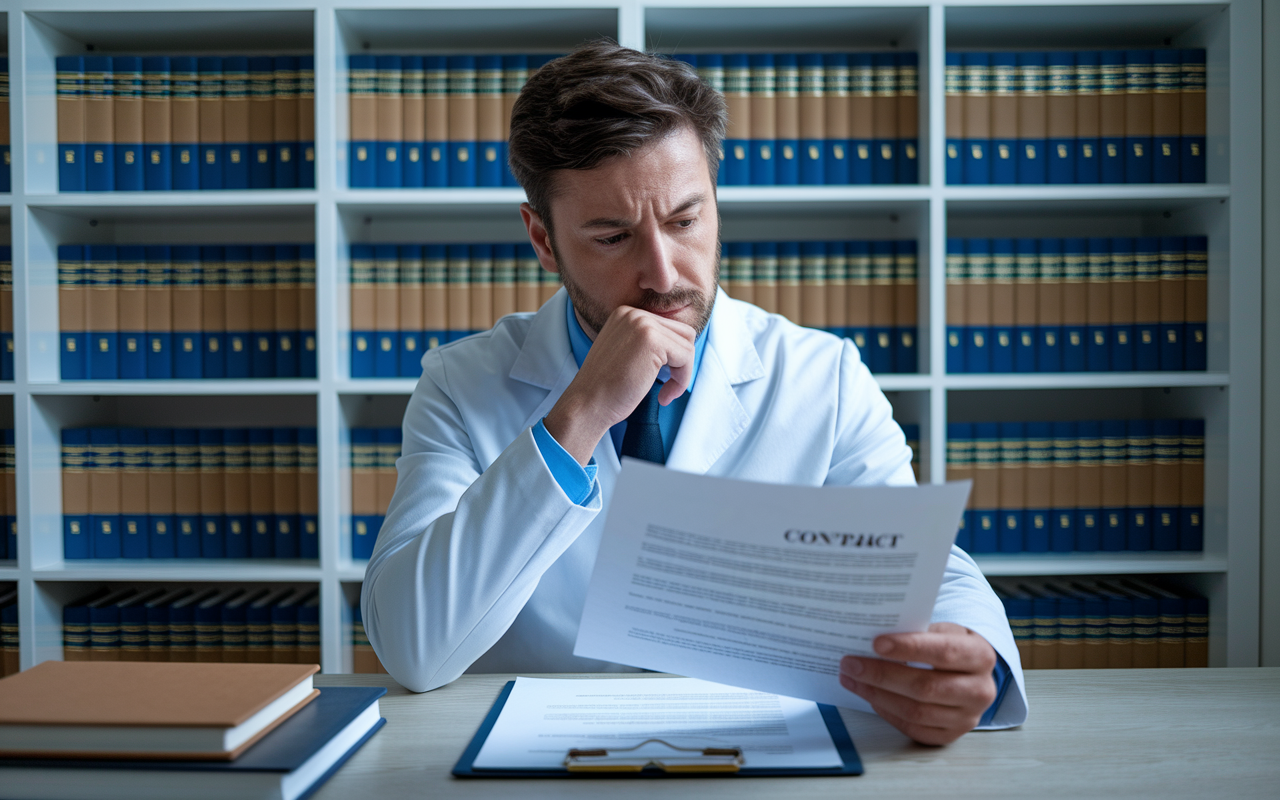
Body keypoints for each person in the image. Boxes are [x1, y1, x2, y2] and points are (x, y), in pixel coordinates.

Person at [362, 41, 1027, 745]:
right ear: (544, 240)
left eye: (685, 221)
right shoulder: (461, 384)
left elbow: (922, 568)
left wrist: (970, 658)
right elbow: (413, 648)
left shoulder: (822, 376)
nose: (662, 274)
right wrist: (580, 414)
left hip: (765, 755)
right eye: (613, 236)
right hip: (543, 766)